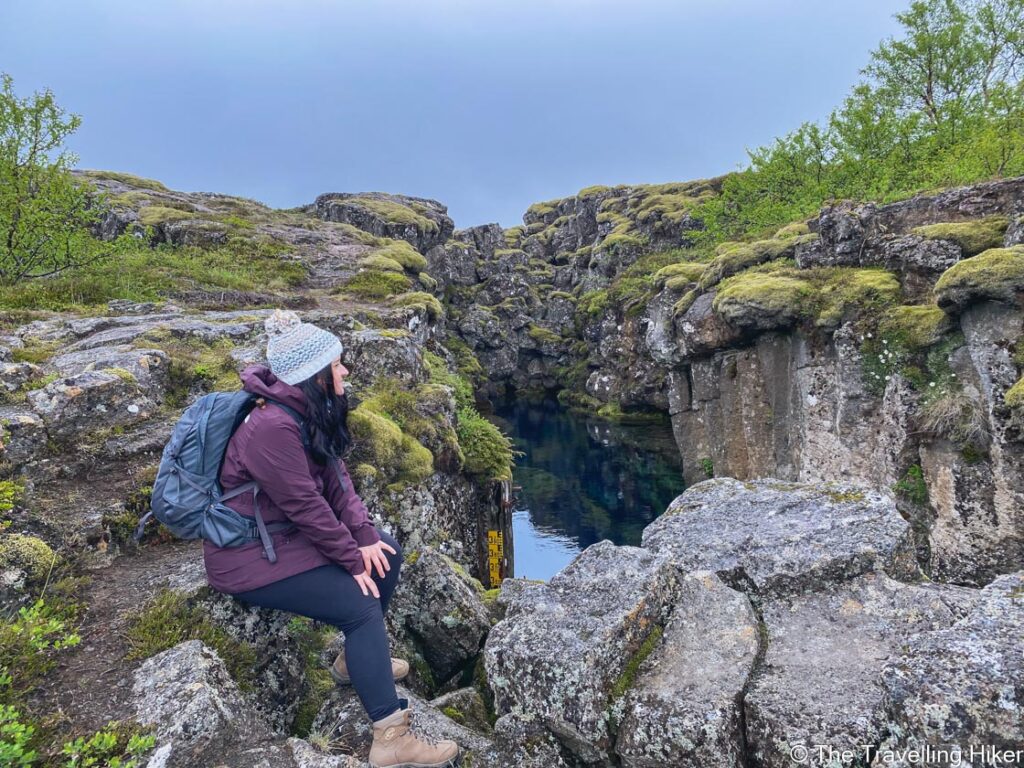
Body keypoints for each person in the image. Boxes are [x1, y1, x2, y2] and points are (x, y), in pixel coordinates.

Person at [203, 309, 461, 768]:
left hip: (278, 536)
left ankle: (353, 664)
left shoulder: (303, 411)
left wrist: (363, 538)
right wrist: (349, 558)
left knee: (386, 553)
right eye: (337, 364)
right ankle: (390, 739)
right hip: (243, 554)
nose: (345, 371)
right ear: (314, 375)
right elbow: (306, 507)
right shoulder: (272, 429)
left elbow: (337, 480)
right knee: (360, 605)